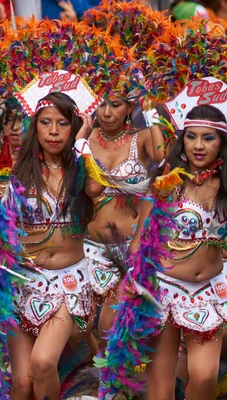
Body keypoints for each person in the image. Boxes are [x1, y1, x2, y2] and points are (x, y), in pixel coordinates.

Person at [125, 105, 227, 400]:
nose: (198, 146)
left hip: (207, 293)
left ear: (221, 144)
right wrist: (134, 280)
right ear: (182, 140)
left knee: (203, 379)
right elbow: (140, 239)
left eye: (209, 138)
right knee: (160, 389)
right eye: (191, 137)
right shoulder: (166, 183)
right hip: (163, 292)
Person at [9, 88, 104, 399]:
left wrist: (83, 142)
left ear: (74, 126)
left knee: (43, 361)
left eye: (62, 123)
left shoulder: (79, 167)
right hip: (24, 283)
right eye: (46, 122)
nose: (53, 131)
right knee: (22, 383)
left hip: (68, 284)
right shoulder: (18, 172)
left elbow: (95, 188)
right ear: (34, 126)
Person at [85, 96, 164, 344]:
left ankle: (110, 380)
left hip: (127, 251)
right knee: (80, 330)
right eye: (102, 104)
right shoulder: (85, 137)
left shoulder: (140, 138)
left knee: (110, 330)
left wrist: (152, 114)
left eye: (116, 105)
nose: (107, 112)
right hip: (83, 249)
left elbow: (162, 158)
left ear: (130, 107)